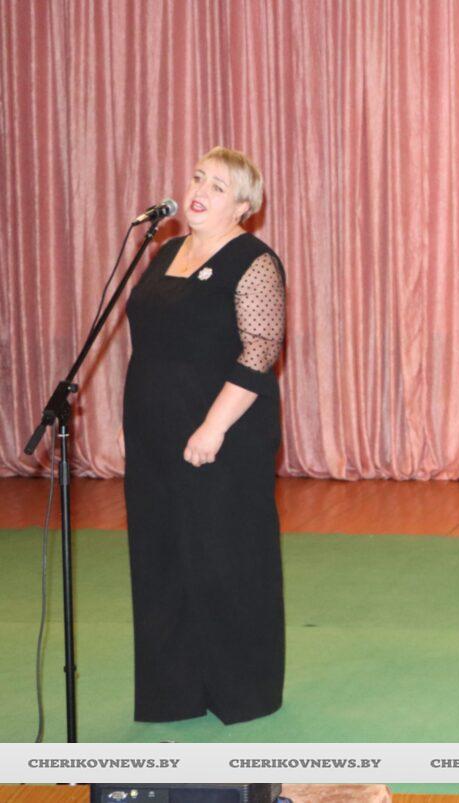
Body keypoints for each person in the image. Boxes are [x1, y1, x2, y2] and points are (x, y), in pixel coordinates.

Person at [120, 146, 286, 724]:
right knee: (161, 555)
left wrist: (212, 427)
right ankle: (174, 691)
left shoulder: (254, 261)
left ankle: (241, 690)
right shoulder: (166, 251)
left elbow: (260, 350)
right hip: (154, 434)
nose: (199, 191)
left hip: (225, 434)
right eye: (198, 178)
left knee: (223, 557)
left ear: (243, 207)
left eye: (218, 186)